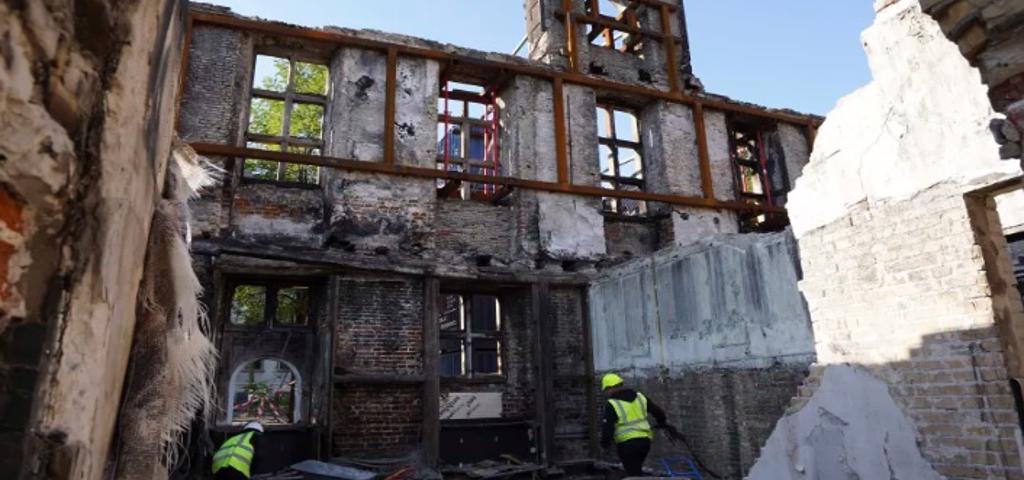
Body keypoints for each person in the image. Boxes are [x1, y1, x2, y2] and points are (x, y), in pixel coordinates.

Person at [600, 373, 668, 477]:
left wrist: (605, 445)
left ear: (610, 388)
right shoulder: (640, 397)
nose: (606, 393)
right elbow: (659, 412)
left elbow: (608, 427)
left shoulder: (612, 404)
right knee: (636, 470)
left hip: (627, 444)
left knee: (633, 474)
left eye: (606, 390)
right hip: (645, 441)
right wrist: (661, 423)